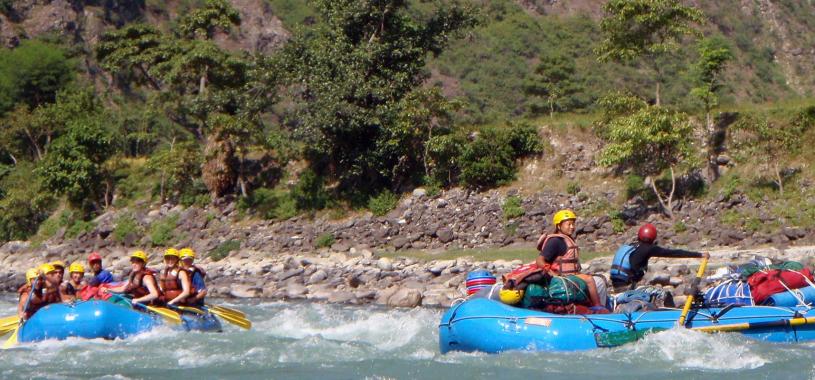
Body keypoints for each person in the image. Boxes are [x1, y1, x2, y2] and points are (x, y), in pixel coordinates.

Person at [535, 209, 605, 308]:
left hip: (572, 275)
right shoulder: (555, 241)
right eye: (569, 224)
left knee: (599, 279)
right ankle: (598, 307)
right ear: (559, 226)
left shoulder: (566, 239)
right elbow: (539, 260)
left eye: (573, 224)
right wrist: (552, 273)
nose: (572, 227)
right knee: (590, 279)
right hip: (563, 276)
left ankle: (595, 305)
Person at [610, 223, 710, 292]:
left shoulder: (632, 246)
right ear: (653, 238)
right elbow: (674, 253)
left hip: (615, 284)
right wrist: (699, 255)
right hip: (627, 285)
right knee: (662, 294)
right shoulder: (649, 248)